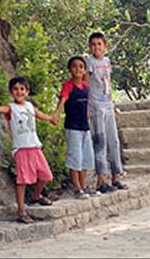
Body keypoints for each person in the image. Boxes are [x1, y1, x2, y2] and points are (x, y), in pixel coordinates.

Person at [0, 77, 58, 224]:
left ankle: (36, 196)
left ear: (27, 91)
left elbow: (39, 114)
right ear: (11, 92)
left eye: (22, 89)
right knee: (22, 181)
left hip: (35, 147)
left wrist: (51, 119)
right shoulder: (11, 107)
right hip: (21, 149)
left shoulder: (30, 106)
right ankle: (21, 211)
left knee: (46, 176)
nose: (19, 92)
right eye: (16, 89)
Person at [86, 32, 127, 194]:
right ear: (90, 47)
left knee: (113, 141)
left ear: (105, 46)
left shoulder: (107, 62)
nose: (96, 47)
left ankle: (116, 176)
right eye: (93, 44)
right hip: (95, 105)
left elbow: (108, 82)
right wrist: (86, 106)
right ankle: (101, 180)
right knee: (100, 142)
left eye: (99, 44)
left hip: (107, 103)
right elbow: (85, 83)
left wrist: (112, 102)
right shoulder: (89, 62)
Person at [52, 56, 95, 199]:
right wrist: (56, 115)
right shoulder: (68, 86)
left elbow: (88, 105)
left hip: (85, 128)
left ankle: (83, 186)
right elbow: (63, 100)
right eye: (74, 66)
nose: (78, 69)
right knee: (75, 158)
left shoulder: (86, 87)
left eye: (81, 67)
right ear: (70, 70)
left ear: (84, 70)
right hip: (73, 127)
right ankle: (77, 188)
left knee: (86, 158)